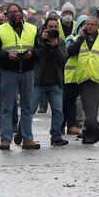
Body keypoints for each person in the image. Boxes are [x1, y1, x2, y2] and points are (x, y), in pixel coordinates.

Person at [0, 2, 42, 150]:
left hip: (27, 71)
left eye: (16, 11)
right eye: (10, 12)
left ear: (21, 13)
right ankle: (6, 139)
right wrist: (6, 56)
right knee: (7, 106)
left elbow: (41, 49)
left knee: (27, 107)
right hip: (9, 71)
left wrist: (32, 54)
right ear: (6, 16)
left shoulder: (33, 29)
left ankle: (27, 138)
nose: (13, 14)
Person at [64, 14, 99, 144]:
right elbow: (70, 52)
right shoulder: (80, 39)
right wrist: (80, 37)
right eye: (87, 24)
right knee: (88, 108)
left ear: (98, 27)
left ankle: (91, 135)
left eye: (92, 24)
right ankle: (93, 135)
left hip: (97, 78)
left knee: (92, 108)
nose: (89, 26)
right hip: (84, 78)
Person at [33, 16, 69, 146]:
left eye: (55, 27)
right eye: (50, 27)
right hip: (38, 82)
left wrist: (55, 47)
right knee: (29, 110)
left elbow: (64, 60)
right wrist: (42, 41)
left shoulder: (61, 42)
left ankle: (56, 136)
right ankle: (22, 133)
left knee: (58, 111)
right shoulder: (37, 39)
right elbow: (34, 55)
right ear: (45, 28)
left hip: (55, 82)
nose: (53, 30)